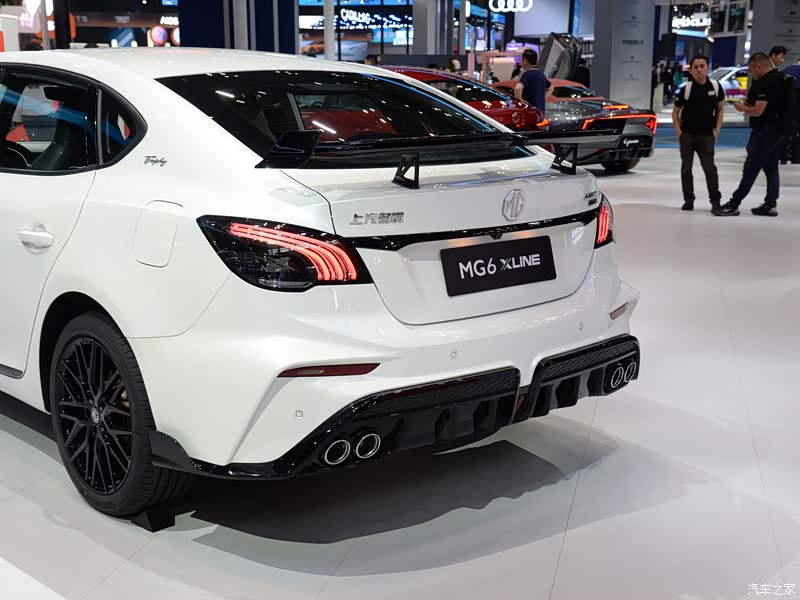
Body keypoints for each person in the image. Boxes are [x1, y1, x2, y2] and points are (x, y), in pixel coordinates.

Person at [713, 53, 788, 217]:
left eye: (751, 70)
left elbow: (758, 111)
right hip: (777, 132)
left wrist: (742, 108)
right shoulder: (780, 79)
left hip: (765, 133)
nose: (751, 73)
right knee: (771, 169)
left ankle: (734, 204)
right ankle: (770, 204)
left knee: (751, 168)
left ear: (758, 66)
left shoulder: (768, 83)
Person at [673, 55, 726, 211]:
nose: (699, 70)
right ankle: (689, 200)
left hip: (707, 135)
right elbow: (675, 112)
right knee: (686, 169)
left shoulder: (715, 87)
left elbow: (720, 109)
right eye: (695, 67)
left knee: (710, 168)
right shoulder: (686, 89)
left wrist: (717, 131)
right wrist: (679, 132)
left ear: (708, 68)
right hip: (687, 135)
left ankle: (715, 201)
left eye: (702, 66)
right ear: (691, 70)